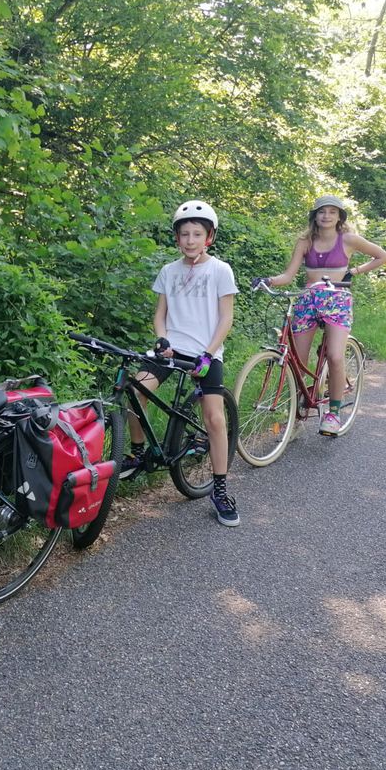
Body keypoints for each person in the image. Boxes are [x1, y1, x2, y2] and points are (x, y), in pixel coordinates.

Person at [123, 199, 241, 527]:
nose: (190, 239)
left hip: (205, 353)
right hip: (170, 350)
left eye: (197, 234)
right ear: (177, 238)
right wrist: (161, 339)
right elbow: (159, 315)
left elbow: (226, 318)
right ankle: (137, 453)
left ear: (209, 238)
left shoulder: (220, 270)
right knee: (136, 390)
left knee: (215, 419)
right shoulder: (168, 271)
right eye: (184, 234)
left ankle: (219, 489)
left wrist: (208, 353)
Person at [251, 194, 386, 436]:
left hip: (337, 300)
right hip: (308, 300)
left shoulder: (348, 239)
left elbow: (382, 256)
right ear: (314, 216)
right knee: (297, 361)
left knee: (335, 355)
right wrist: (268, 281)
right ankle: (296, 414)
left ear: (339, 217)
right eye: (321, 211)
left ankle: (333, 414)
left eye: (332, 212)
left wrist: (353, 271)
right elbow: (288, 275)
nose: (326, 216)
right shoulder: (305, 242)